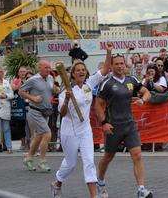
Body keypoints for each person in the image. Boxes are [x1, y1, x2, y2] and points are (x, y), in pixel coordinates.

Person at [51, 43, 112, 198]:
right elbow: (63, 113)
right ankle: (57, 182)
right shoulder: (66, 91)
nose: (81, 72)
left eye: (83, 70)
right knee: (70, 163)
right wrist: (66, 100)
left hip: (85, 129)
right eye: (78, 70)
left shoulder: (89, 84)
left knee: (89, 162)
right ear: (72, 74)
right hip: (68, 131)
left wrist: (109, 51)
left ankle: (93, 196)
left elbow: (105, 69)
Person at [95, 54, 153, 198]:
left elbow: (146, 92)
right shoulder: (106, 83)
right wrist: (104, 123)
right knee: (108, 156)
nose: (120, 66)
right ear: (112, 66)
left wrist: (143, 100)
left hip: (129, 125)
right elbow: (98, 105)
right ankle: (100, 181)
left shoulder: (131, 80)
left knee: (137, 155)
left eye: (122, 63)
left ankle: (141, 189)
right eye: (117, 64)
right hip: (113, 126)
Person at [19, 60, 58, 172]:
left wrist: (56, 90)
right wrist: (33, 98)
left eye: (49, 67)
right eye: (46, 67)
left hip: (46, 111)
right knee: (47, 133)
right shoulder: (33, 80)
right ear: (39, 68)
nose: (48, 69)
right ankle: (42, 161)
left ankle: (29, 158)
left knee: (39, 136)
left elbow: (51, 91)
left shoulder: (50, 78)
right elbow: (21, 92)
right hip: (34, 111)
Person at [11, 66, 30, 151]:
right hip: (18, 106)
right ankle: (23, 144)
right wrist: (20, 83)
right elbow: (13, 88)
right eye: (21, 72)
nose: (22, 73)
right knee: (20, 125)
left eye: (24, 71)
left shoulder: (30, 80)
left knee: (29, 126)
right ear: (18, 73)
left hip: (28, 105)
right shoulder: (15, 80)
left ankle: (29, 144)